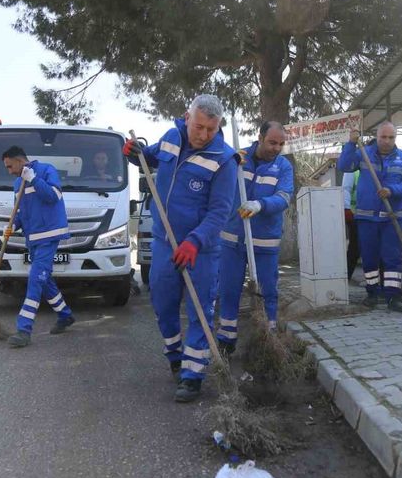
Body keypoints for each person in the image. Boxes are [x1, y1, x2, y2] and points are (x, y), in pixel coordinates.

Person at [122, 94, 237, 402]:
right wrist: (135, 154)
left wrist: (195, 241)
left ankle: (192, 375)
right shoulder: (172, 137)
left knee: (201, 310)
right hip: (164, 243)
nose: (203, 135)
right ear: (187, 118)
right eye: (198, 127)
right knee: (162, 301)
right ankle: (174, 354)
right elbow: (151, 157)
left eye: (210, 130)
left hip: (201, 248)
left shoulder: (224, 160)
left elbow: (220, 212)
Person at [216, 122, 293, 355]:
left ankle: (268, 338)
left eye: (281, 143)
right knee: (228, 289)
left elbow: (284, 197)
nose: (276, 148)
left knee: (267, 290)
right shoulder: (238, 158)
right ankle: (226, 340)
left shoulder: (283, 166)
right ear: (260, 137)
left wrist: (260, 204)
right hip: (232, 238)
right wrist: (230, 162)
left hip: (265, 241)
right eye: (272, 142)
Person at [1, 146, 76, 347]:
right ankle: (65, 315)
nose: (10, 171)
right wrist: (12, 226)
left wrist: (33, 178)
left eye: (10, 166)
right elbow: (21, 213)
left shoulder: (46, 170)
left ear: (19, 160)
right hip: (32, 238)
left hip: (50, 235)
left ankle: (23, 329)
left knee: (35, 279)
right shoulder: (18, 183)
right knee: (44, 280)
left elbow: (53, 197)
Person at [338, 122, 402, 312]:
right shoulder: (364, 153)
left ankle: (393, 296)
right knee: (369, 258)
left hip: (392, 217)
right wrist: (350, 144)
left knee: (392, 258)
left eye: (391, 137)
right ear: (377, 136)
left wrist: (391, 190)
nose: (387, 141)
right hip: (367, 218)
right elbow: (344, 166)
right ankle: (372, 293)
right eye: (383, 137)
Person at [342, 170, 361, 280]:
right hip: (354, 215)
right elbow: (346, 189)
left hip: (372, 215)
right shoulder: (353, 170)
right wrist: (347, 208)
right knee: (355, 248)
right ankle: (346, 278)